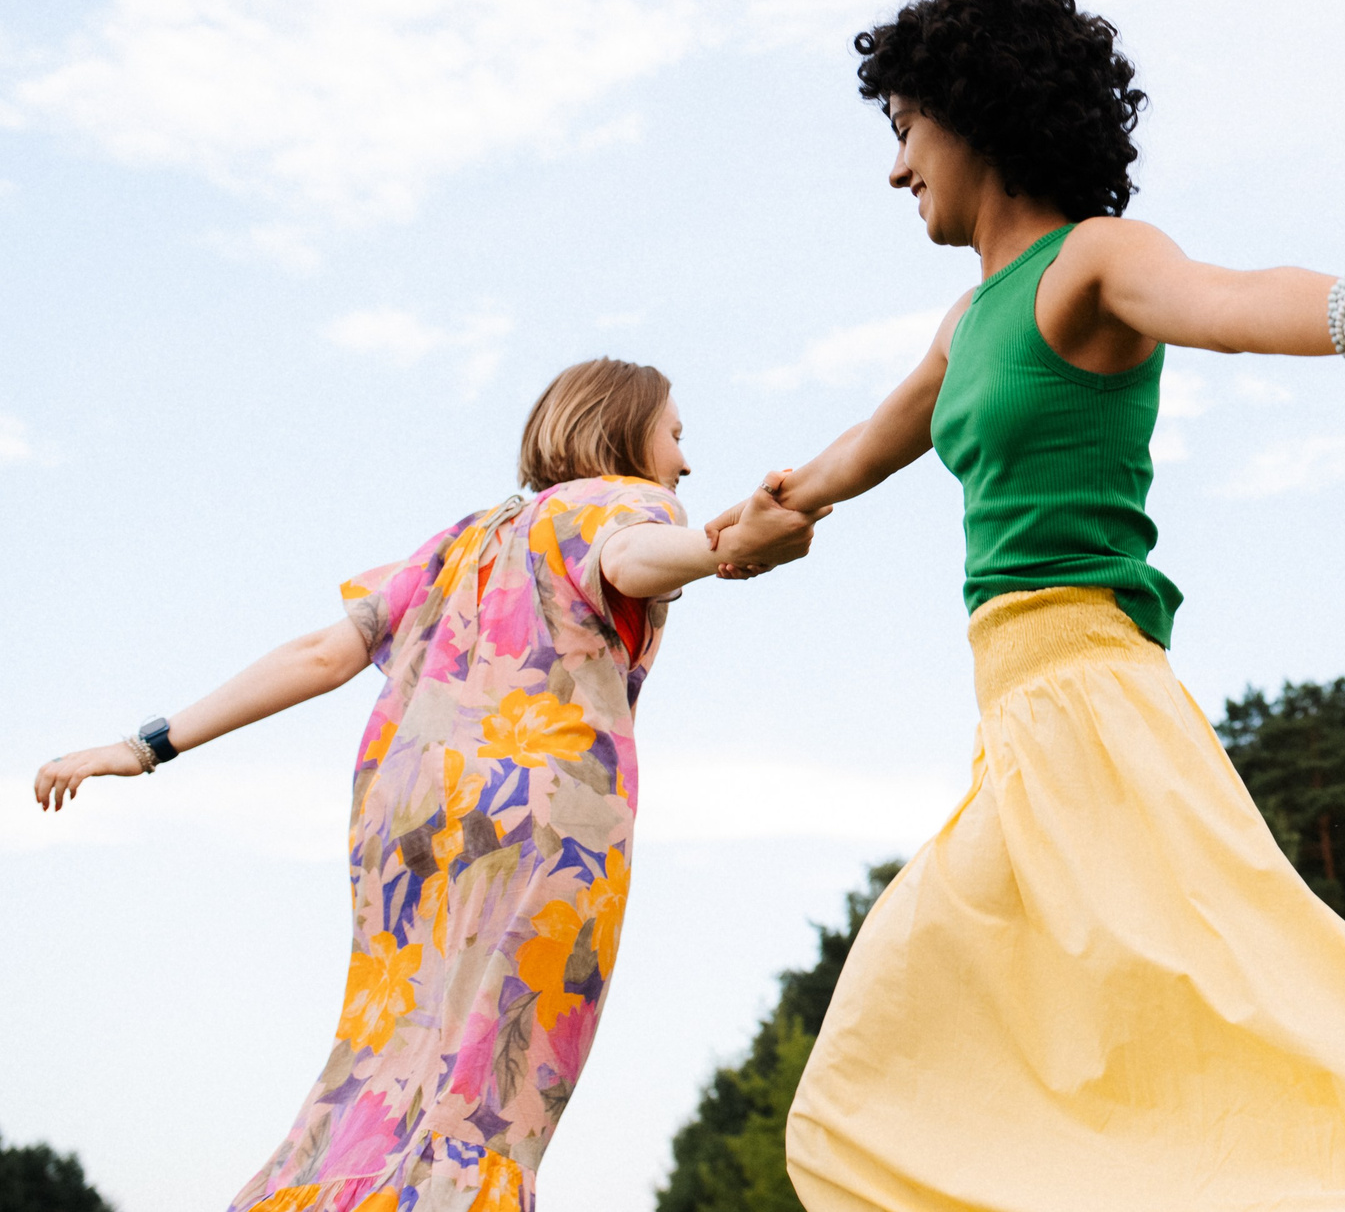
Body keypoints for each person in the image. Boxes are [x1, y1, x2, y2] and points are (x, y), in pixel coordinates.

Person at [707, 0, 1345, 1211]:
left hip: (1101, 713)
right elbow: (864, 447)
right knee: (878, 1093)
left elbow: (1239, 304)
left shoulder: (1096, 261)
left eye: (905, 128)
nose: (895, 167)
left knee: (1237, 1030)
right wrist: (770, 514)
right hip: (1018, 735)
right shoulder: (967, 322)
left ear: (976, 116)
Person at [31, 359, 826, 1212]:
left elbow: (321, 656)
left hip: (407, 828)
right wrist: (720, 545)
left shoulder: (464, 539)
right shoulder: (622, 500)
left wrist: (142, 746)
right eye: (675, 434)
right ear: (622, 430)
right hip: (540, 824)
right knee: (487, 1105)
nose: (684, 461)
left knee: (381, 1076)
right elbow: (631, 557)